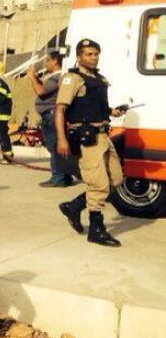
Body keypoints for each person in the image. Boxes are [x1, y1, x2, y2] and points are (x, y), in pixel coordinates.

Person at [55, 39, 125, 247]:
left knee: (116, 179)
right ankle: (96, 229)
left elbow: (93, 105)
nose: (94, 58)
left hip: (104, 136)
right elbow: (60, 110)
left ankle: (74, 206)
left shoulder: (98, 79)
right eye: (89, 54)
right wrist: (61, 139)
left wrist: (112, 111)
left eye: (96, 54)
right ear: (79, 56)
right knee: (98, 184)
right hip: (88, 138)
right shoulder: (72, 79)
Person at [28, 52, 74, 186]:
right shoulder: (56, 78)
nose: (46, 63)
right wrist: (37, 79)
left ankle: (58, 177)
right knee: (56, 147)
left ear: (54, 61)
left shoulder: (56, 78)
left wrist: (32, 77)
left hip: (51, 115)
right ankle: (65, 176)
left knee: (54, 147)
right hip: (50, 115)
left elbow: (41, 91)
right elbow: (44, 88)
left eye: (47, 60)